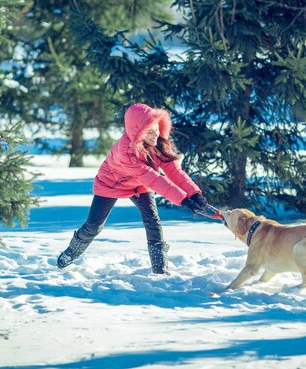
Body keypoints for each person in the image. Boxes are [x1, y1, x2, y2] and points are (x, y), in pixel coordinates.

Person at [57, 103, 211, 274]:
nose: (155, 134)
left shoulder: (159, 144)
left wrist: (195, 195)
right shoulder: (126, 151)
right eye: (149, 131)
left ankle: (160, 270)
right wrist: (183, 200)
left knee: (153, 222)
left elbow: (175, 171)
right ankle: (70, 253)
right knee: (94, 226)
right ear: (137, 131)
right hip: (111, 183)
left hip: (140, 184)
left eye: (156, 129)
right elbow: (154, 179)